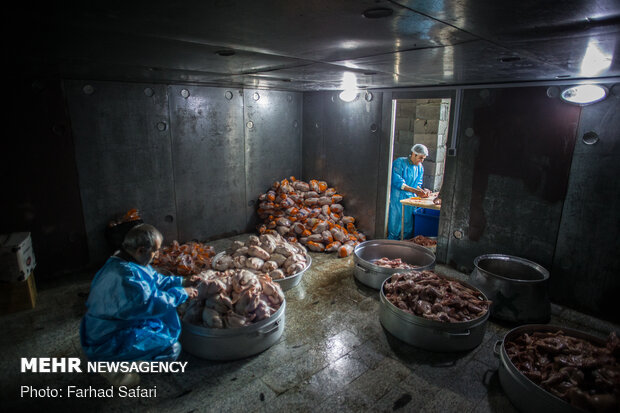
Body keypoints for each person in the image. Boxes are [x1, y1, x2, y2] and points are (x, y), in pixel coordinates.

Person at [80, 224, 198, 387]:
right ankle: (115, 367)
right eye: (155, 251)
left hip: (114, 325)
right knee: (172, 350)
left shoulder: (127, 260)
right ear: (141, 250)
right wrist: (182, 293)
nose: (156, 255)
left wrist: (183, 281)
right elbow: (151, 303)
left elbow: (155, 280)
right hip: (108, 336)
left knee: (163, 325)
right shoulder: (125, 276)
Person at [387, 144, 432, 239]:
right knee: (396, 224)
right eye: (420, 158)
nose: (421, 161)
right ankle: (391, 245)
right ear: (413, 154)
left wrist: (423, 191)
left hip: (410, 200)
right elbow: (398, 182)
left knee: (407, 225)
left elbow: (417, 184)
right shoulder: (400, 163)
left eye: (423, 158)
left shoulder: (420, 168)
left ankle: (405, 246)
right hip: (398, 199)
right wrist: (415, 190)